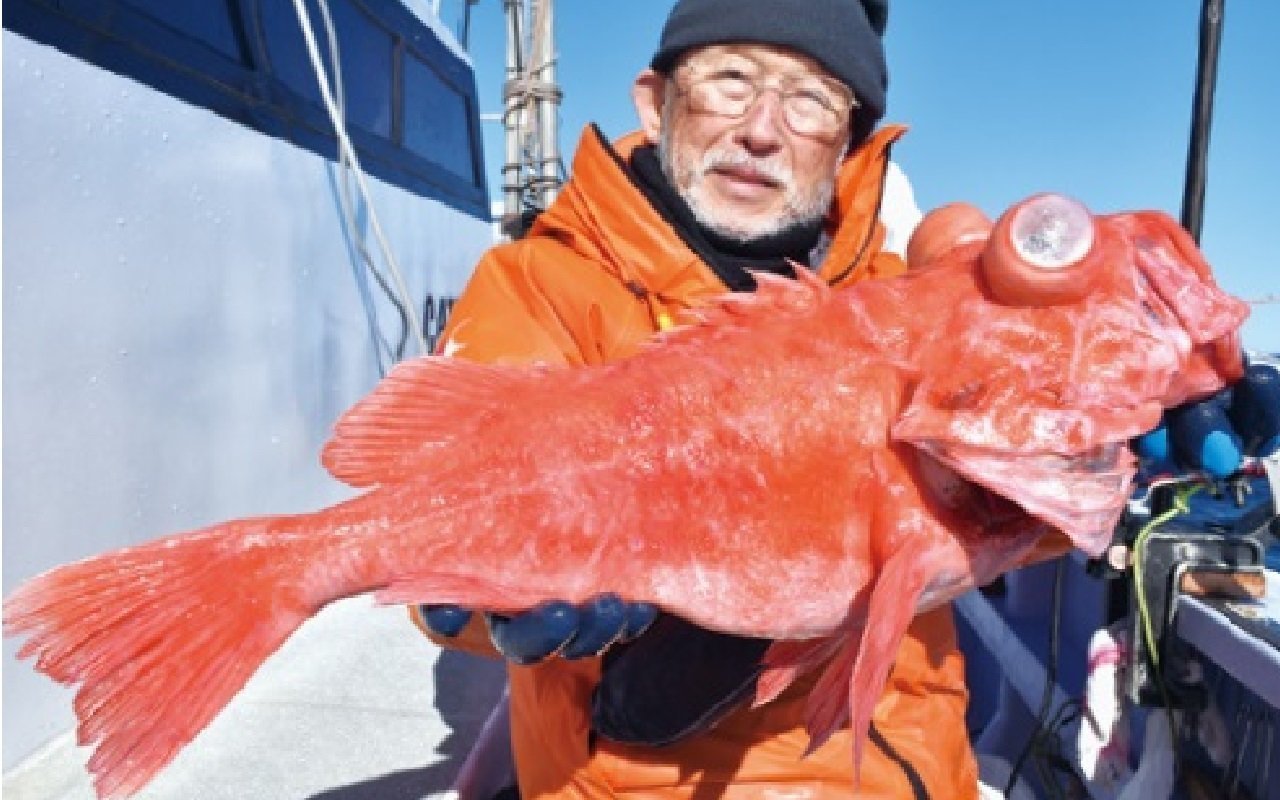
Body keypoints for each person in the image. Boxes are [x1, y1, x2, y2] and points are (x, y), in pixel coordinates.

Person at [413, 1, 1280, 797]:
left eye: (811, 100)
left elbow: (960, 520)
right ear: (655, 101)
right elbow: (432, 514)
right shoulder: (536, 284)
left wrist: (1117, 459)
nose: (760, 130)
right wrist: (489, 609)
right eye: (731, 79)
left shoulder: (902, 299)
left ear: (850, 142)